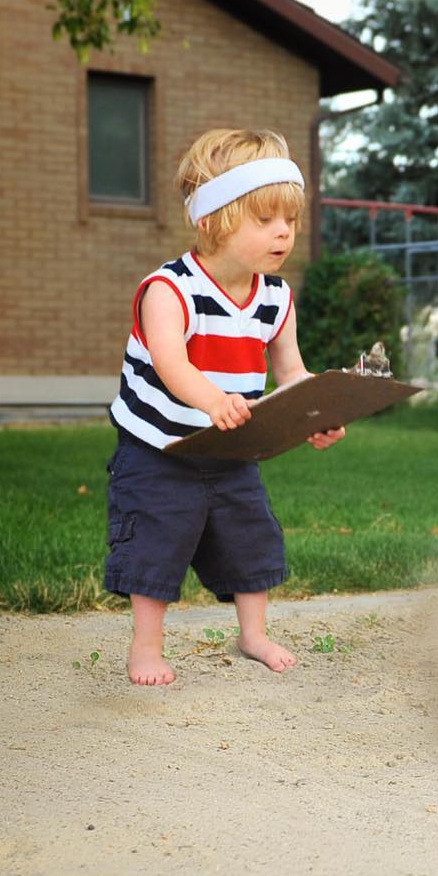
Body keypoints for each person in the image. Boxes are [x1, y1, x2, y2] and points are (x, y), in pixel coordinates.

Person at [106, 127, 346, 686]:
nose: (283, 232)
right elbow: (172, 364)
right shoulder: (169, 290)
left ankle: (253, 633)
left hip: (232, 442)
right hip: (158, 445)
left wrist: (317, 411)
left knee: (250, 533)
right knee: (156, 538)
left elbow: (291, 372)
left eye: (290, 219)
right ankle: (146, 647)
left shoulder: (275, 297)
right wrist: (215, 400)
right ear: (211, 219)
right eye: (265, 220)